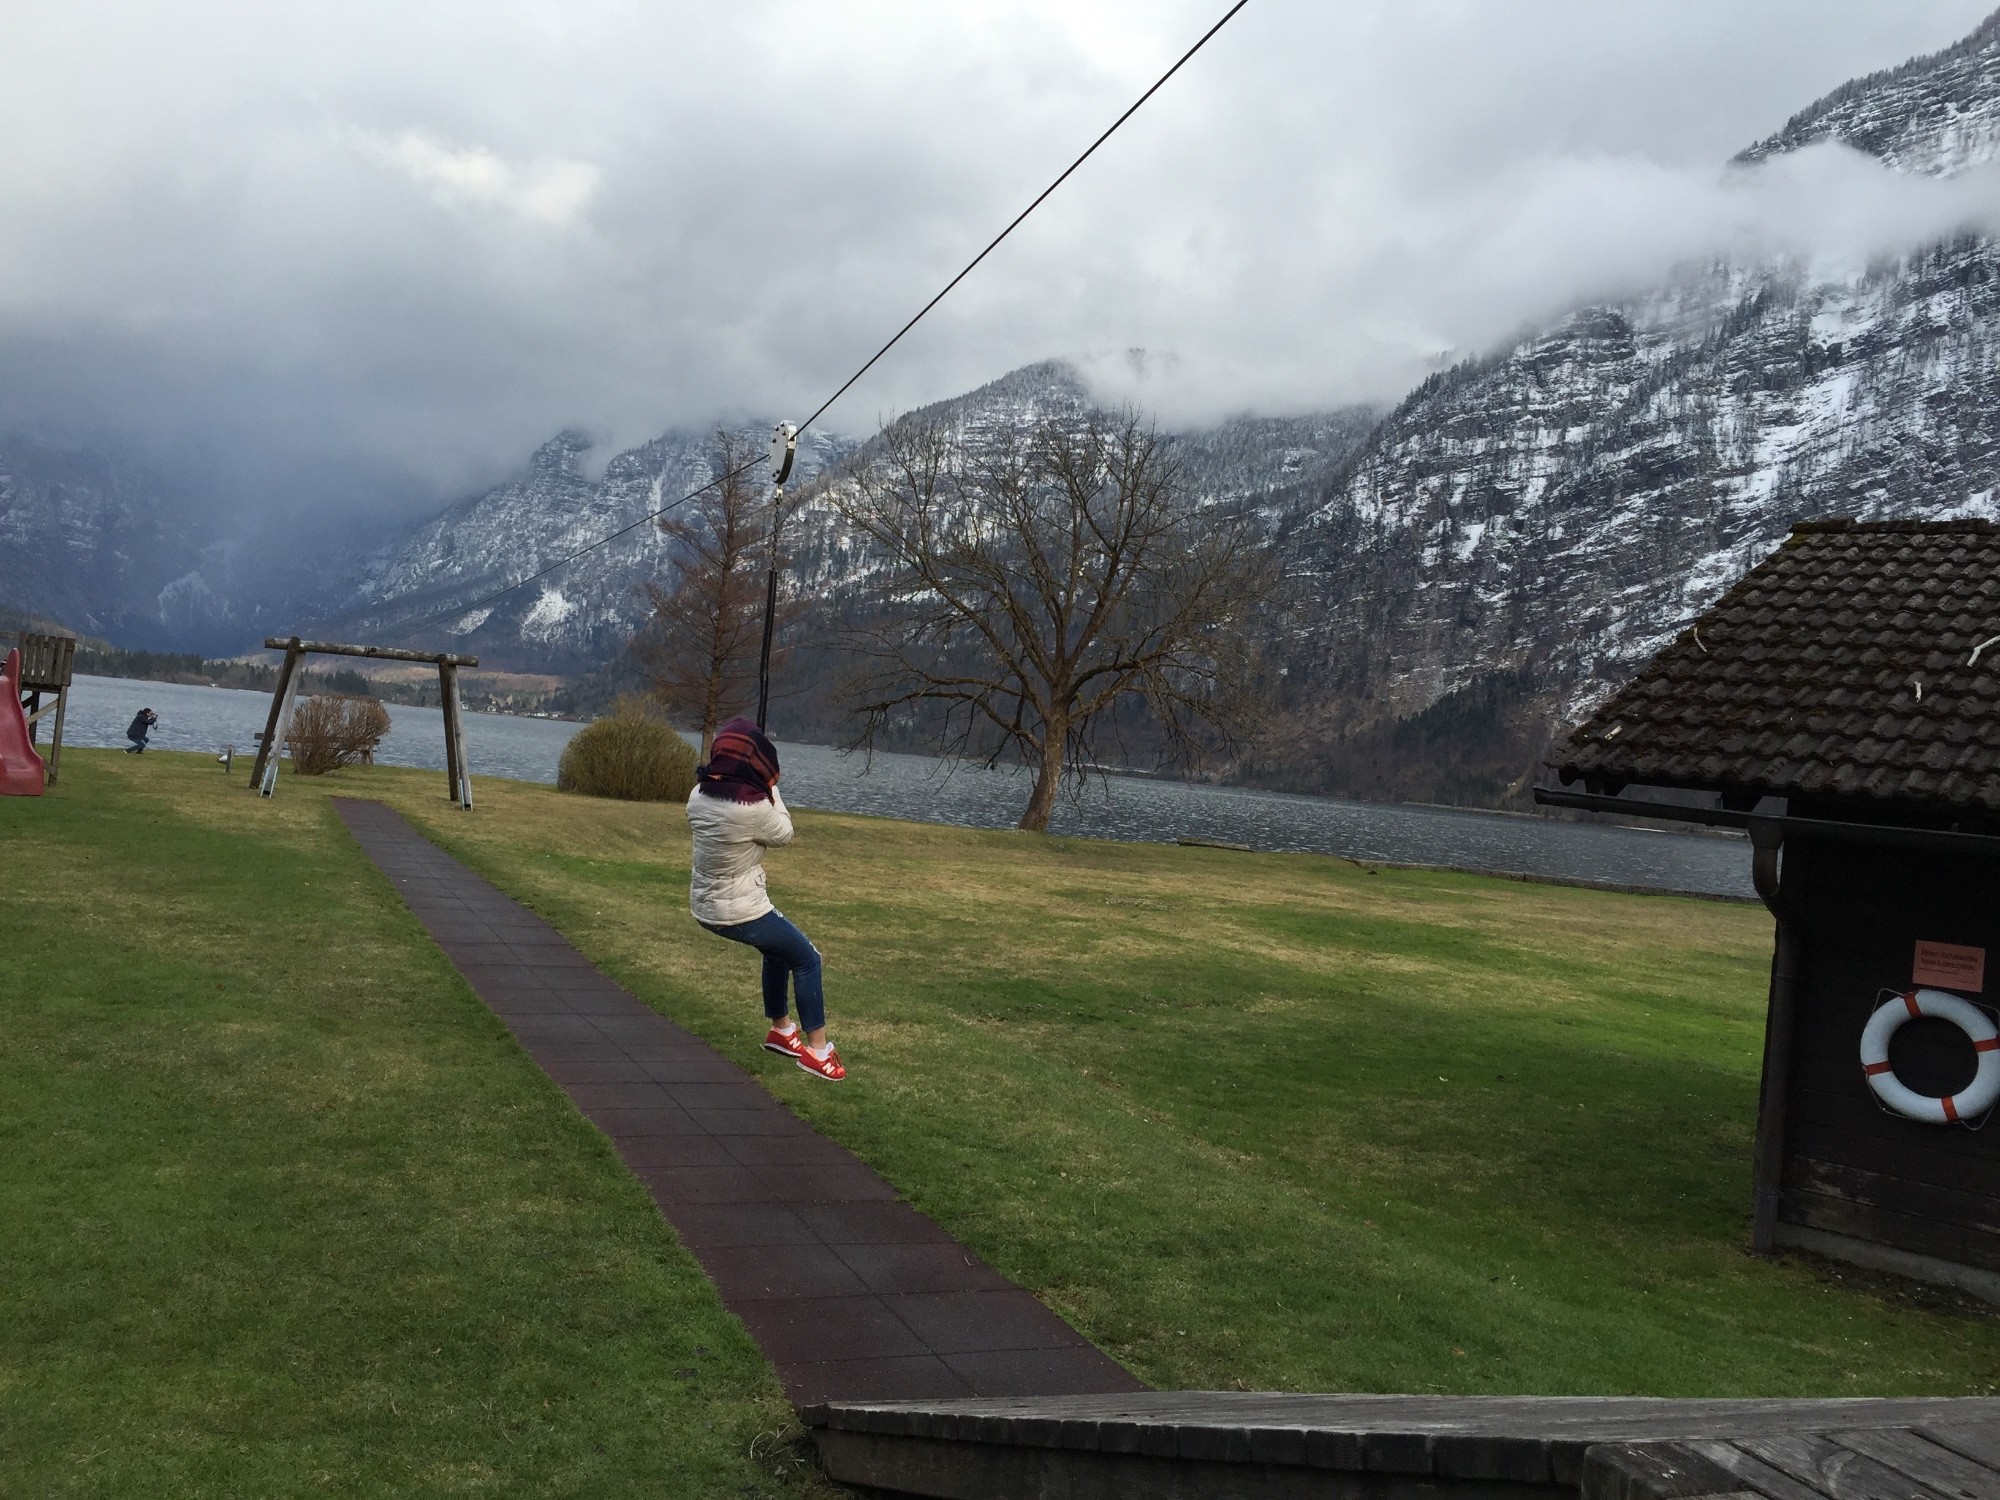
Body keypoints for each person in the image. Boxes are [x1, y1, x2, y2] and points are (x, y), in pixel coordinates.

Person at [685, 717, 844, 1081]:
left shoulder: (698, 795)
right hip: (739, 910)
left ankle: (782, 1031)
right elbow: (784, 832)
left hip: (706, 907)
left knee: (777, 951)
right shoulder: (754, 809)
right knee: (807, 958)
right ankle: (819, 1053)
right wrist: (771, 789)